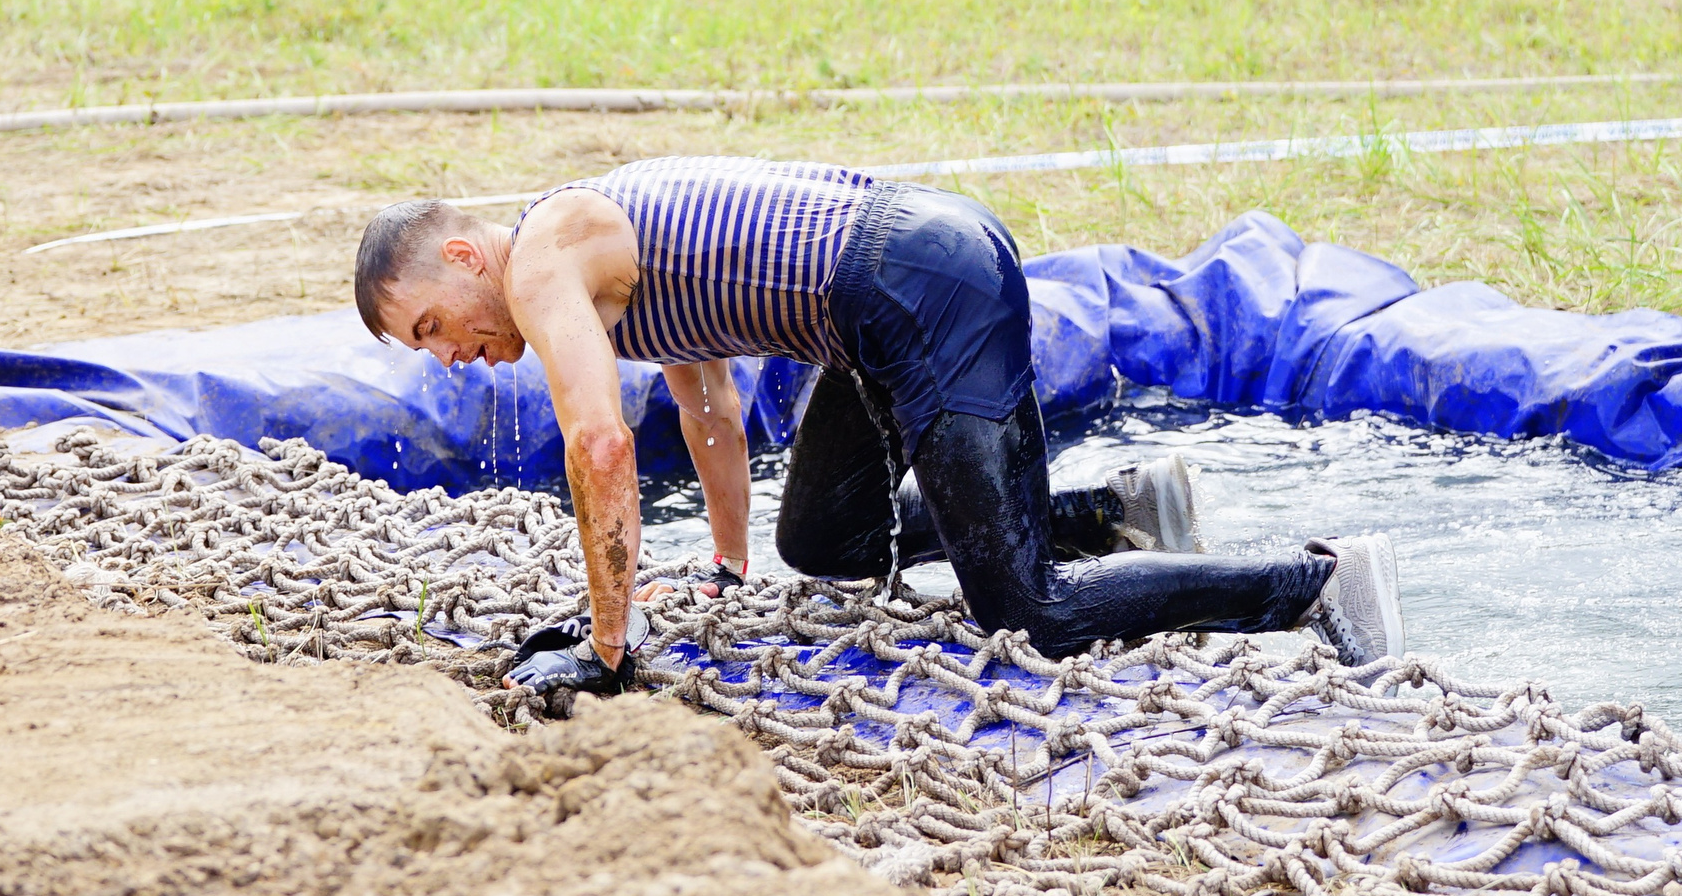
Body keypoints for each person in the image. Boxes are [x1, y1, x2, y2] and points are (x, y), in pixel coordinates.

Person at [355, 157, 1404, 699]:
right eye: (428, 351)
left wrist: (607, 644)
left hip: (914, 283)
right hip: (870, 313)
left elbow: (600, 447)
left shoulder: (539, 263)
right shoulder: (584, 259)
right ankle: (1122, 509)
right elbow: (706, 406)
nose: (449, 355)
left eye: (434, 328)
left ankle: (1314, 582)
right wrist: (725, 567)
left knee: (1025, 613)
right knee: (821, 544)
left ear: (461, 259)